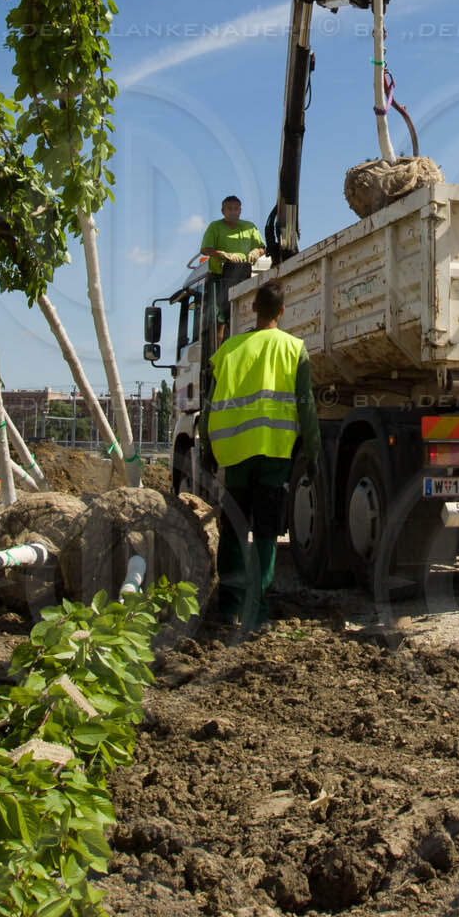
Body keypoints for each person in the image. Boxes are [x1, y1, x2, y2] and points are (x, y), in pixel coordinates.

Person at [206, 281, 314, 631]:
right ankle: (257, 610)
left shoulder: (228, 351)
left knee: (234, 529)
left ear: (253, 308)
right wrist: (313, 453)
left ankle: (229, 605)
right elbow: (307, 407)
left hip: (235, 453)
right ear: (282, 311)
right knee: (266, 531)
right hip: (274, 453)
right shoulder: (294, 349)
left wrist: (207, 450)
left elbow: (209, 407)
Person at [197, 195, 263, 331]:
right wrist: (223, 254)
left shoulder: (249, 227)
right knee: (219, 317)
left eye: (236, 209)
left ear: (240, 210)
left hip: (244, 277)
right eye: (229, 209)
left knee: (244, 311)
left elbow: (262, 248)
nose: (233, 211)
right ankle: (219, 339)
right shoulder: (215, 227)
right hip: (220, 278)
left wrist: (257, 251)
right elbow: (204, 249)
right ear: (223, 211)